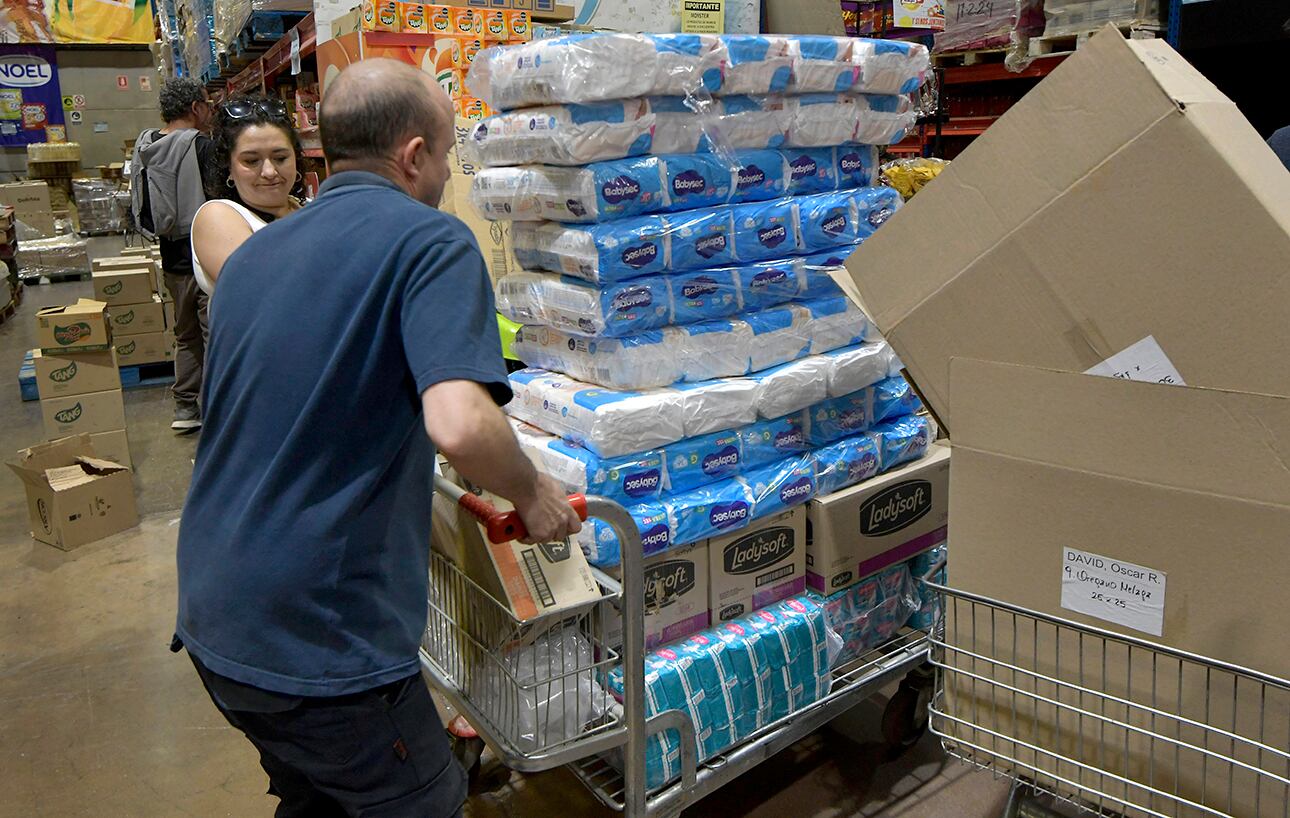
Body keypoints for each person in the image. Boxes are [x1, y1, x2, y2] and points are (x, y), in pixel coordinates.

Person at [173, 58, 582, 817]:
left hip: (215, 615)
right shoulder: (430, 243)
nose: (450, 170)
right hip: (320, 643)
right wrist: (535, 493)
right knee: (421, 799)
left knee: (319, 798)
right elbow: (459, 422)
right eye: (451, 152)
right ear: (416, 155)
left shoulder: (258, 255)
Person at [131, 77, 215, 433]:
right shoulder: (201, 146)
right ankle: (219, 410)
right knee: (217, 337)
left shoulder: (145, 145)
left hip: (170, 259)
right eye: (208, 104)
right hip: (205, 255)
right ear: (196, 108)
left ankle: (184, 408)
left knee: (186, 336)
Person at [191, 95, 306, 295]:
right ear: (228, 166)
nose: (269, 172)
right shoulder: (217, 216)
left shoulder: (309, 207)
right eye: (252, 161)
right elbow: (266, 289)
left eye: (280, 158)